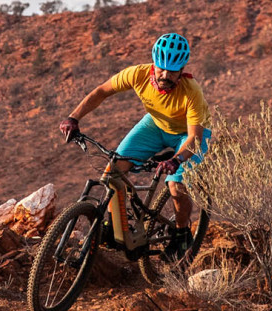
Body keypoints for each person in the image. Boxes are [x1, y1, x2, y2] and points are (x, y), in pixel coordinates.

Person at [59, 32, 212, 258]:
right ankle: (115, 227)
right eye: (161, 68)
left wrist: (176, 159)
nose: (166, 75)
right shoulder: (137, 74)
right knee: (113, 171)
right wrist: (74, 117)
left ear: (182, 70)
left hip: (188, 135)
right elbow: (102, 91)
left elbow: (194, 138)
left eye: (173, 71)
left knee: (175, 186)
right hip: (155, 124)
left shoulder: (191, 91)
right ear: (154, 65)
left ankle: (182, 233)